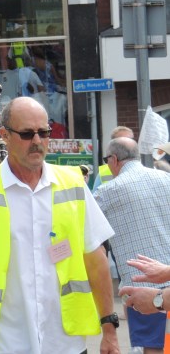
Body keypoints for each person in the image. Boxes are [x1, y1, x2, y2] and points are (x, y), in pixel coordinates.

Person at [0, 96, 120, 354]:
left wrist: (109, 329)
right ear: (4, 135)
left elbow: (96, 260)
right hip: (4, 343)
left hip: (65, 342)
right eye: (27, 134)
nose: (37, 141)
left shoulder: (72, 183)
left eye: (44, 132)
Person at [94, 137, 170, 354]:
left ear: (114, 159)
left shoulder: (107, 192)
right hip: (167, 275)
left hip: (140, 285)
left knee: (151, 347)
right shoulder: (166, 179)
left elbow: (85, 229)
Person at [92, 126, 134, 190]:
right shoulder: (104, 173)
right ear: (113, 145)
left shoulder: (143, 168)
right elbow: (95, 195)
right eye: (123, 141)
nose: (129, 144)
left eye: (131, 140)